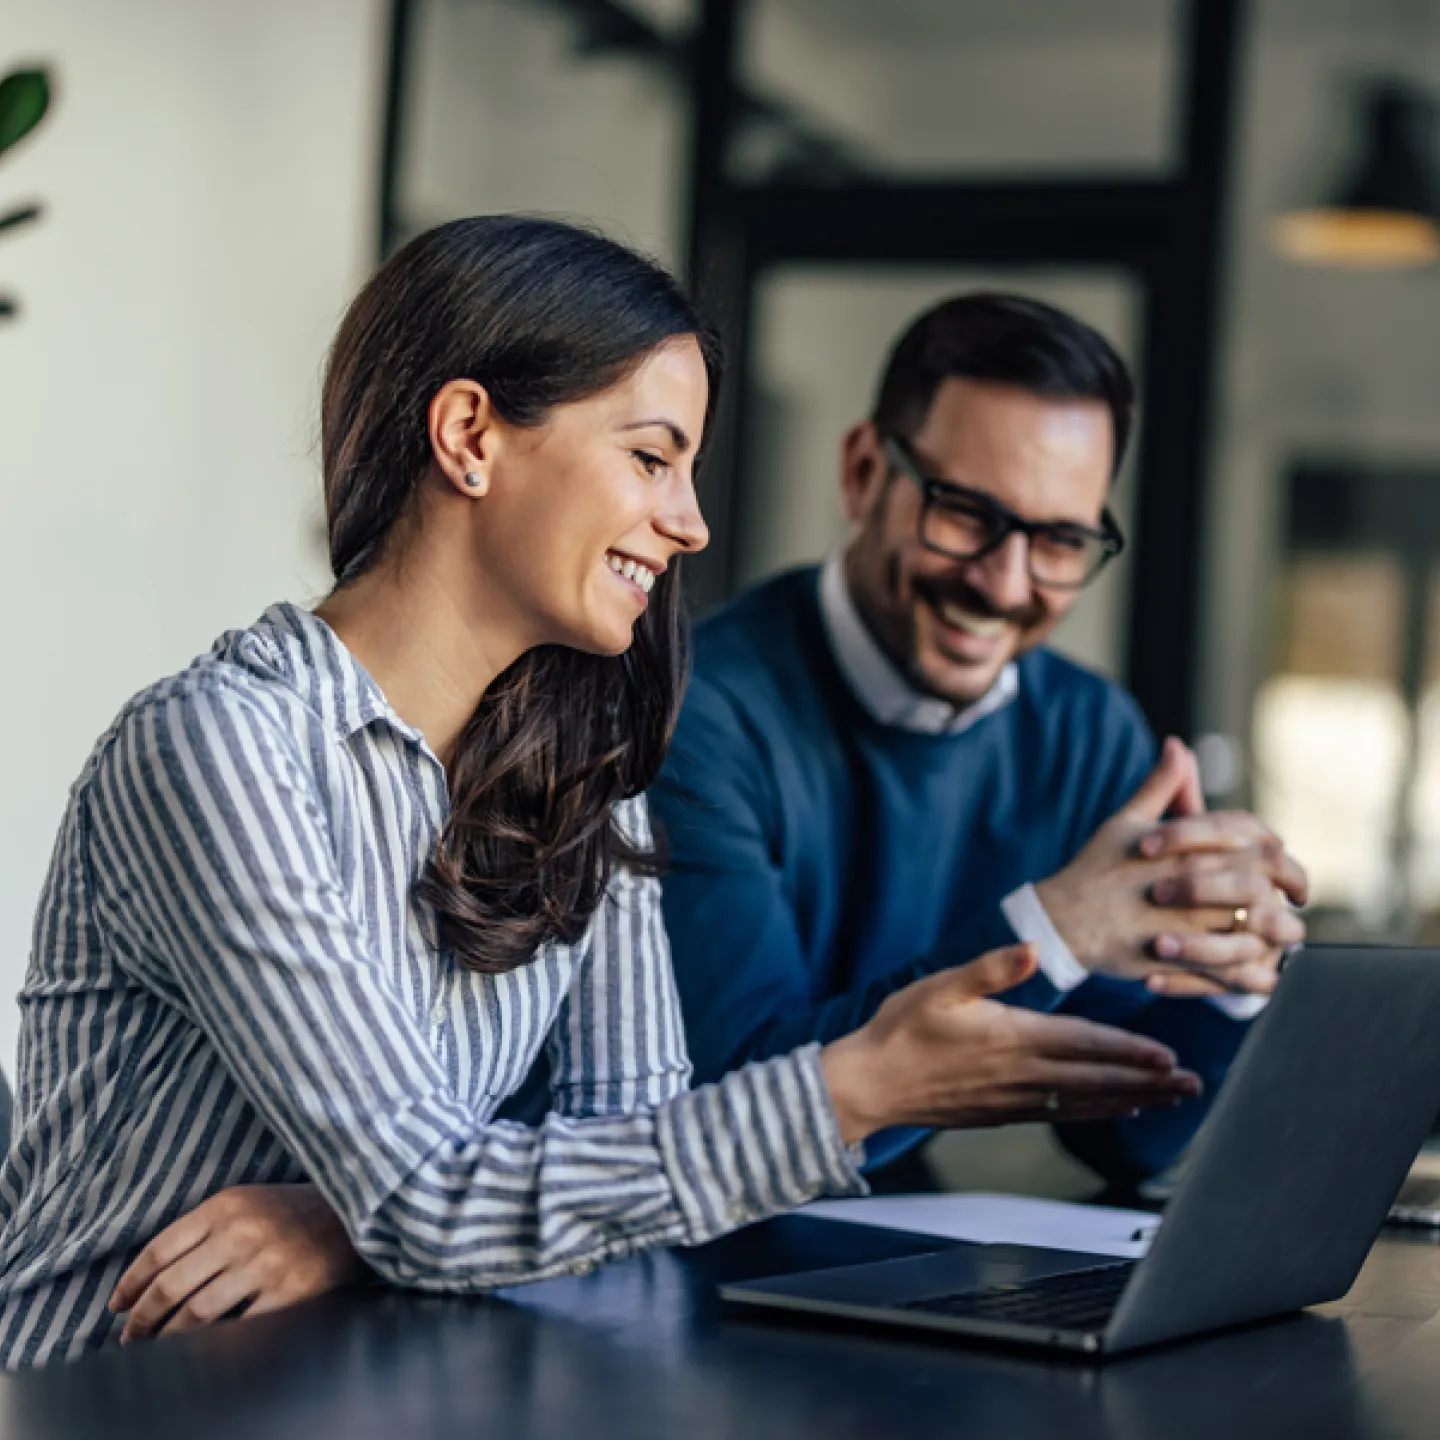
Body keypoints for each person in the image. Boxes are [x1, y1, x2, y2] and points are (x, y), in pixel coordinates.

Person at [0, 222, 1199, 1366]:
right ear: (470, 435)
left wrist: (357, 1222)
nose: (689, 523)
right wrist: (856, 1087)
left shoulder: (584, 773)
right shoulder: (219, 748)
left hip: (367, 1381)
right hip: (106, 1392)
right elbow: (427, 1197)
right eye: (650, 458)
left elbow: (630, 1153)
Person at [648, 292, 1308, 1186]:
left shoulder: (1087, 731)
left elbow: (1121, 1136)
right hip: (693, 1270)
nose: (1005, 583)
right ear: (863, 471)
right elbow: (731, 1103)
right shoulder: (694, 709)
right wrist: (1054, 935)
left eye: (1061, 540)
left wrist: (1231, 971)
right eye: (966, 514)